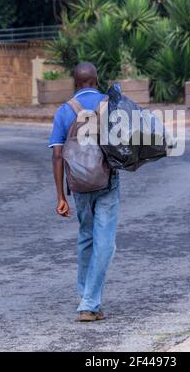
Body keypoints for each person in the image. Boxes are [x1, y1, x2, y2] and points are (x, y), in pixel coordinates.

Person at [49, 62, 120, 322]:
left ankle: (86, 295)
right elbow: (126, 144)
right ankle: (89, 303)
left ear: (75, 82)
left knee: (86, 237)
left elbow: (57, 155)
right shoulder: (110, 105)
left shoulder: (64, 111)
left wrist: (60, 196)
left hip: (78, 185)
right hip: (107, 182)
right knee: (106, 243)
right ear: (96, 79)